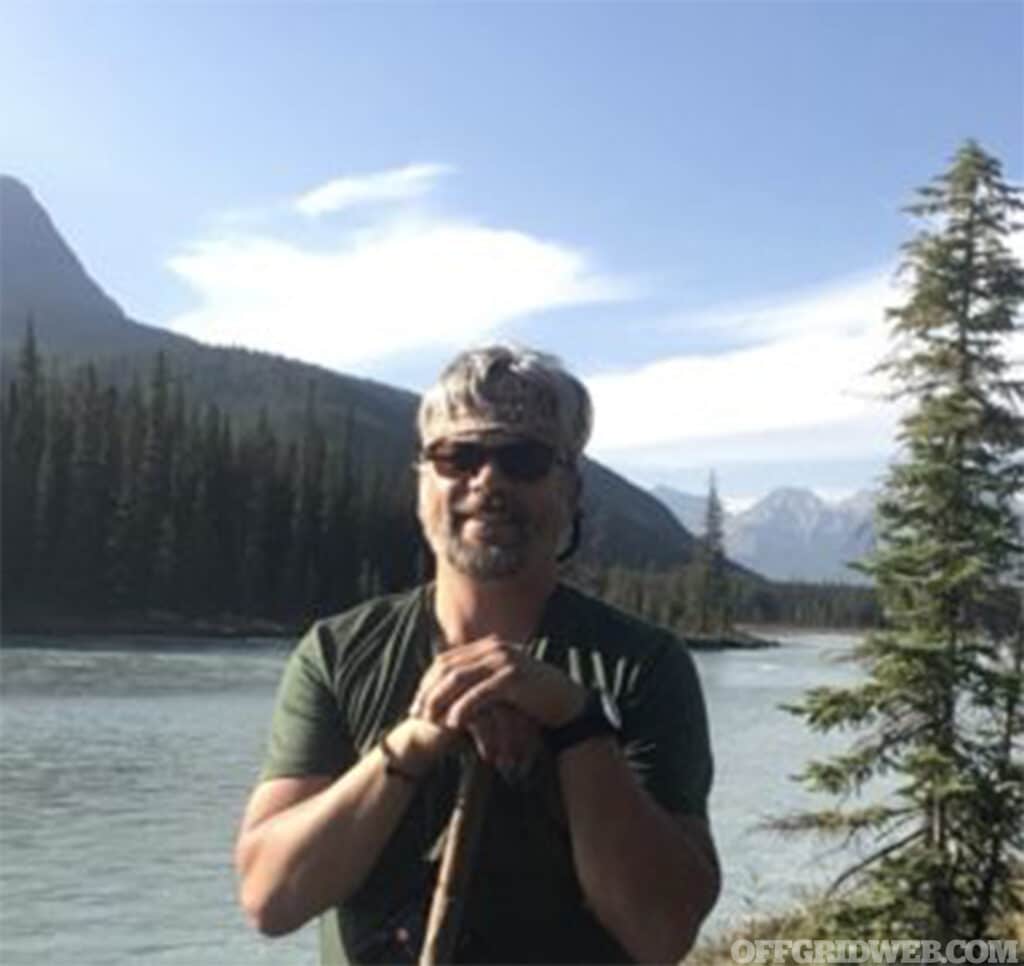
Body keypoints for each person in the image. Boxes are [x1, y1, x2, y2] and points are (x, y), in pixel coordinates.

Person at [234, 345, 720, 964]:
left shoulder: (642, 667)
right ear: (422, 484)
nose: (488, 482)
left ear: (571, 488)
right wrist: (414, 742)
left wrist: (577, 723)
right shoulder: (336, 653)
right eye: (457, 457)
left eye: (523, 460)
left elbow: (663, 932)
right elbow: (270, 899)